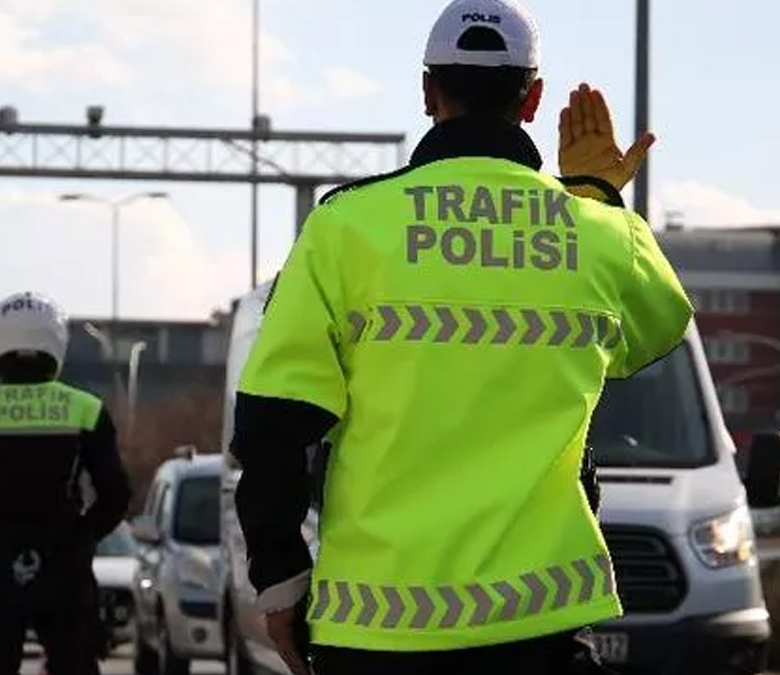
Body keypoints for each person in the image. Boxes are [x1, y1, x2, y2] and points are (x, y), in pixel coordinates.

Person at [230, 1, 694, 673]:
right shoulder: (597, 236)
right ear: (532, 99)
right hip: (540, 626)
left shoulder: (344, 228)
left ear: (428, 91)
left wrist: (281, 581)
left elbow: (273, 423)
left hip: (374, 631)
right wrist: (594, 193)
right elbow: (658, 326)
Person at [0, 291, 131, 675]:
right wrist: (82, 537)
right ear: (57, 342)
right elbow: (116, 496)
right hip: (65, 568)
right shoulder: (86, 408)